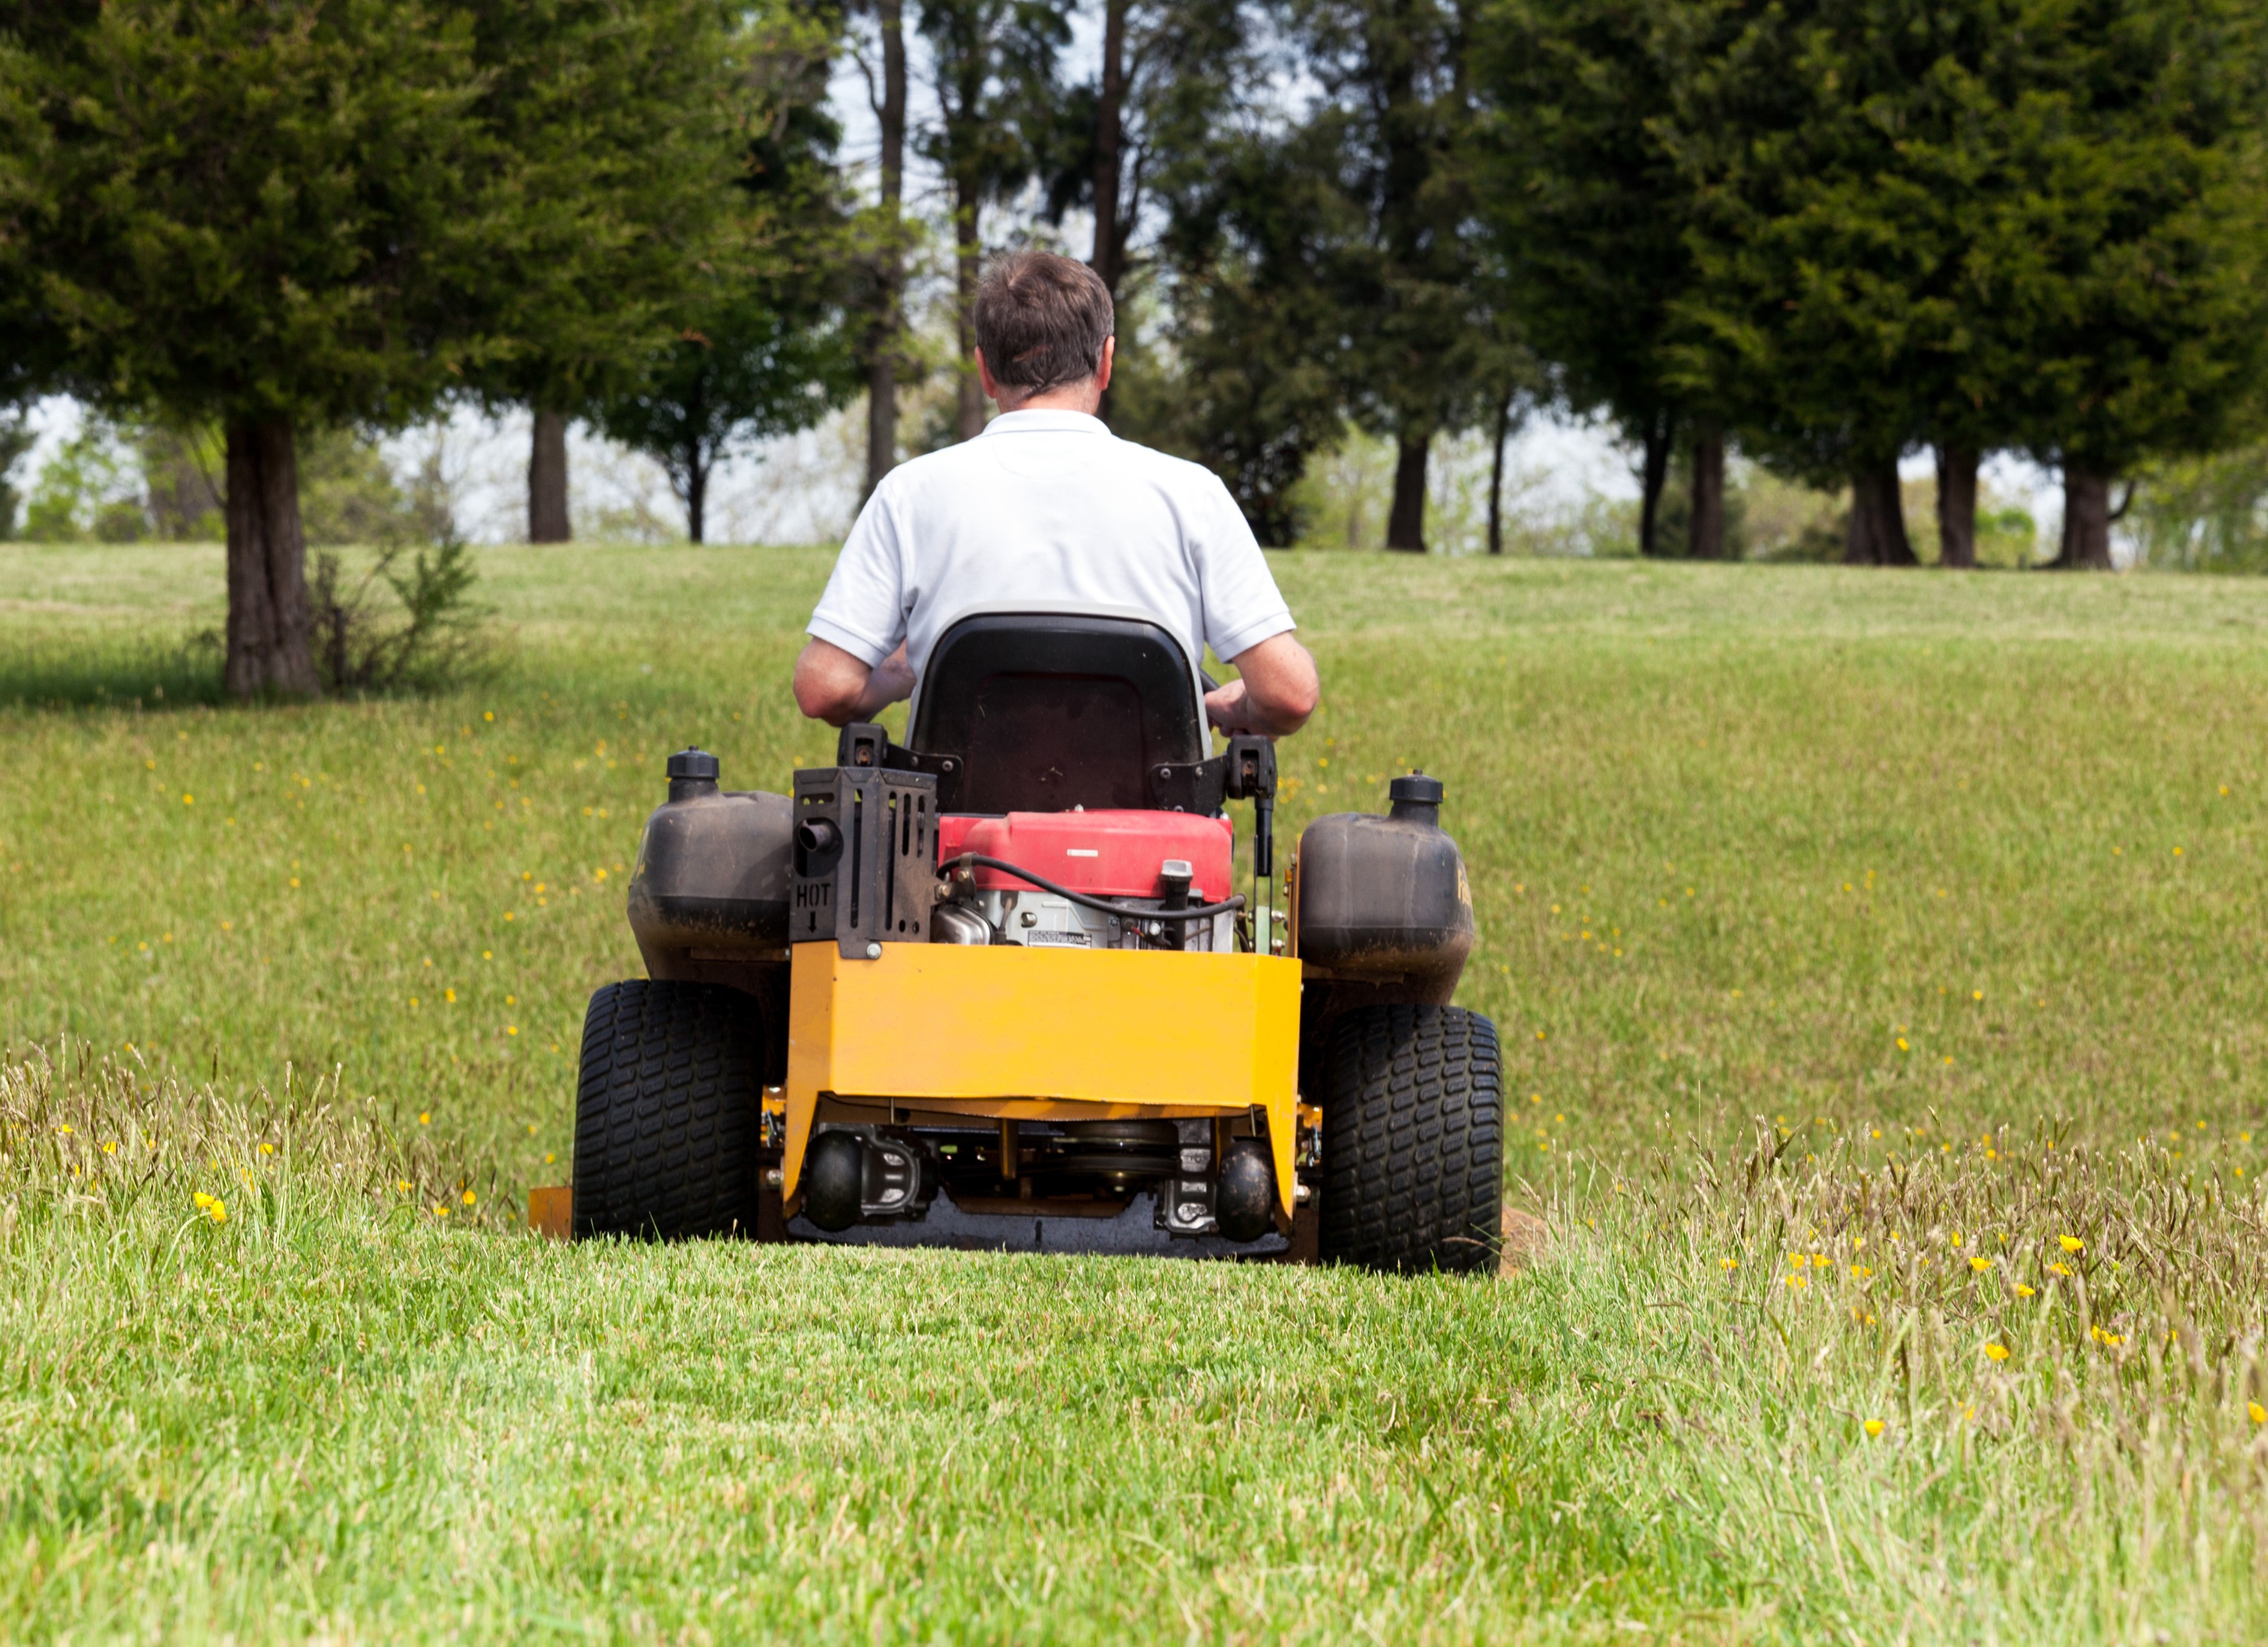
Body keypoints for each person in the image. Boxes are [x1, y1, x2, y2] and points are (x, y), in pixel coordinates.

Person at [793, 250, 1319, 739]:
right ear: (1106, 360)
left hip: (958, 829)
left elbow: (825, 688)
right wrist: (1237, 709)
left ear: (984, 371)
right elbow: (1290, 695)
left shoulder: (909, 494)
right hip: (1156, 828)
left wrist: (908, 668)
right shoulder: (1191, 494)